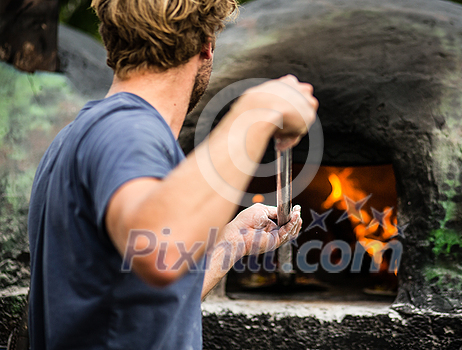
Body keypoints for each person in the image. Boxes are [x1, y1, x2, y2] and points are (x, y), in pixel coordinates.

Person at [27, 0, 318, 349]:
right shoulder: (127, 132)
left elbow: (138, 302)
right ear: (206, 44)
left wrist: (231, 243)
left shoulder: (81, 133)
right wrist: (256, 114)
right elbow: (159, 252)